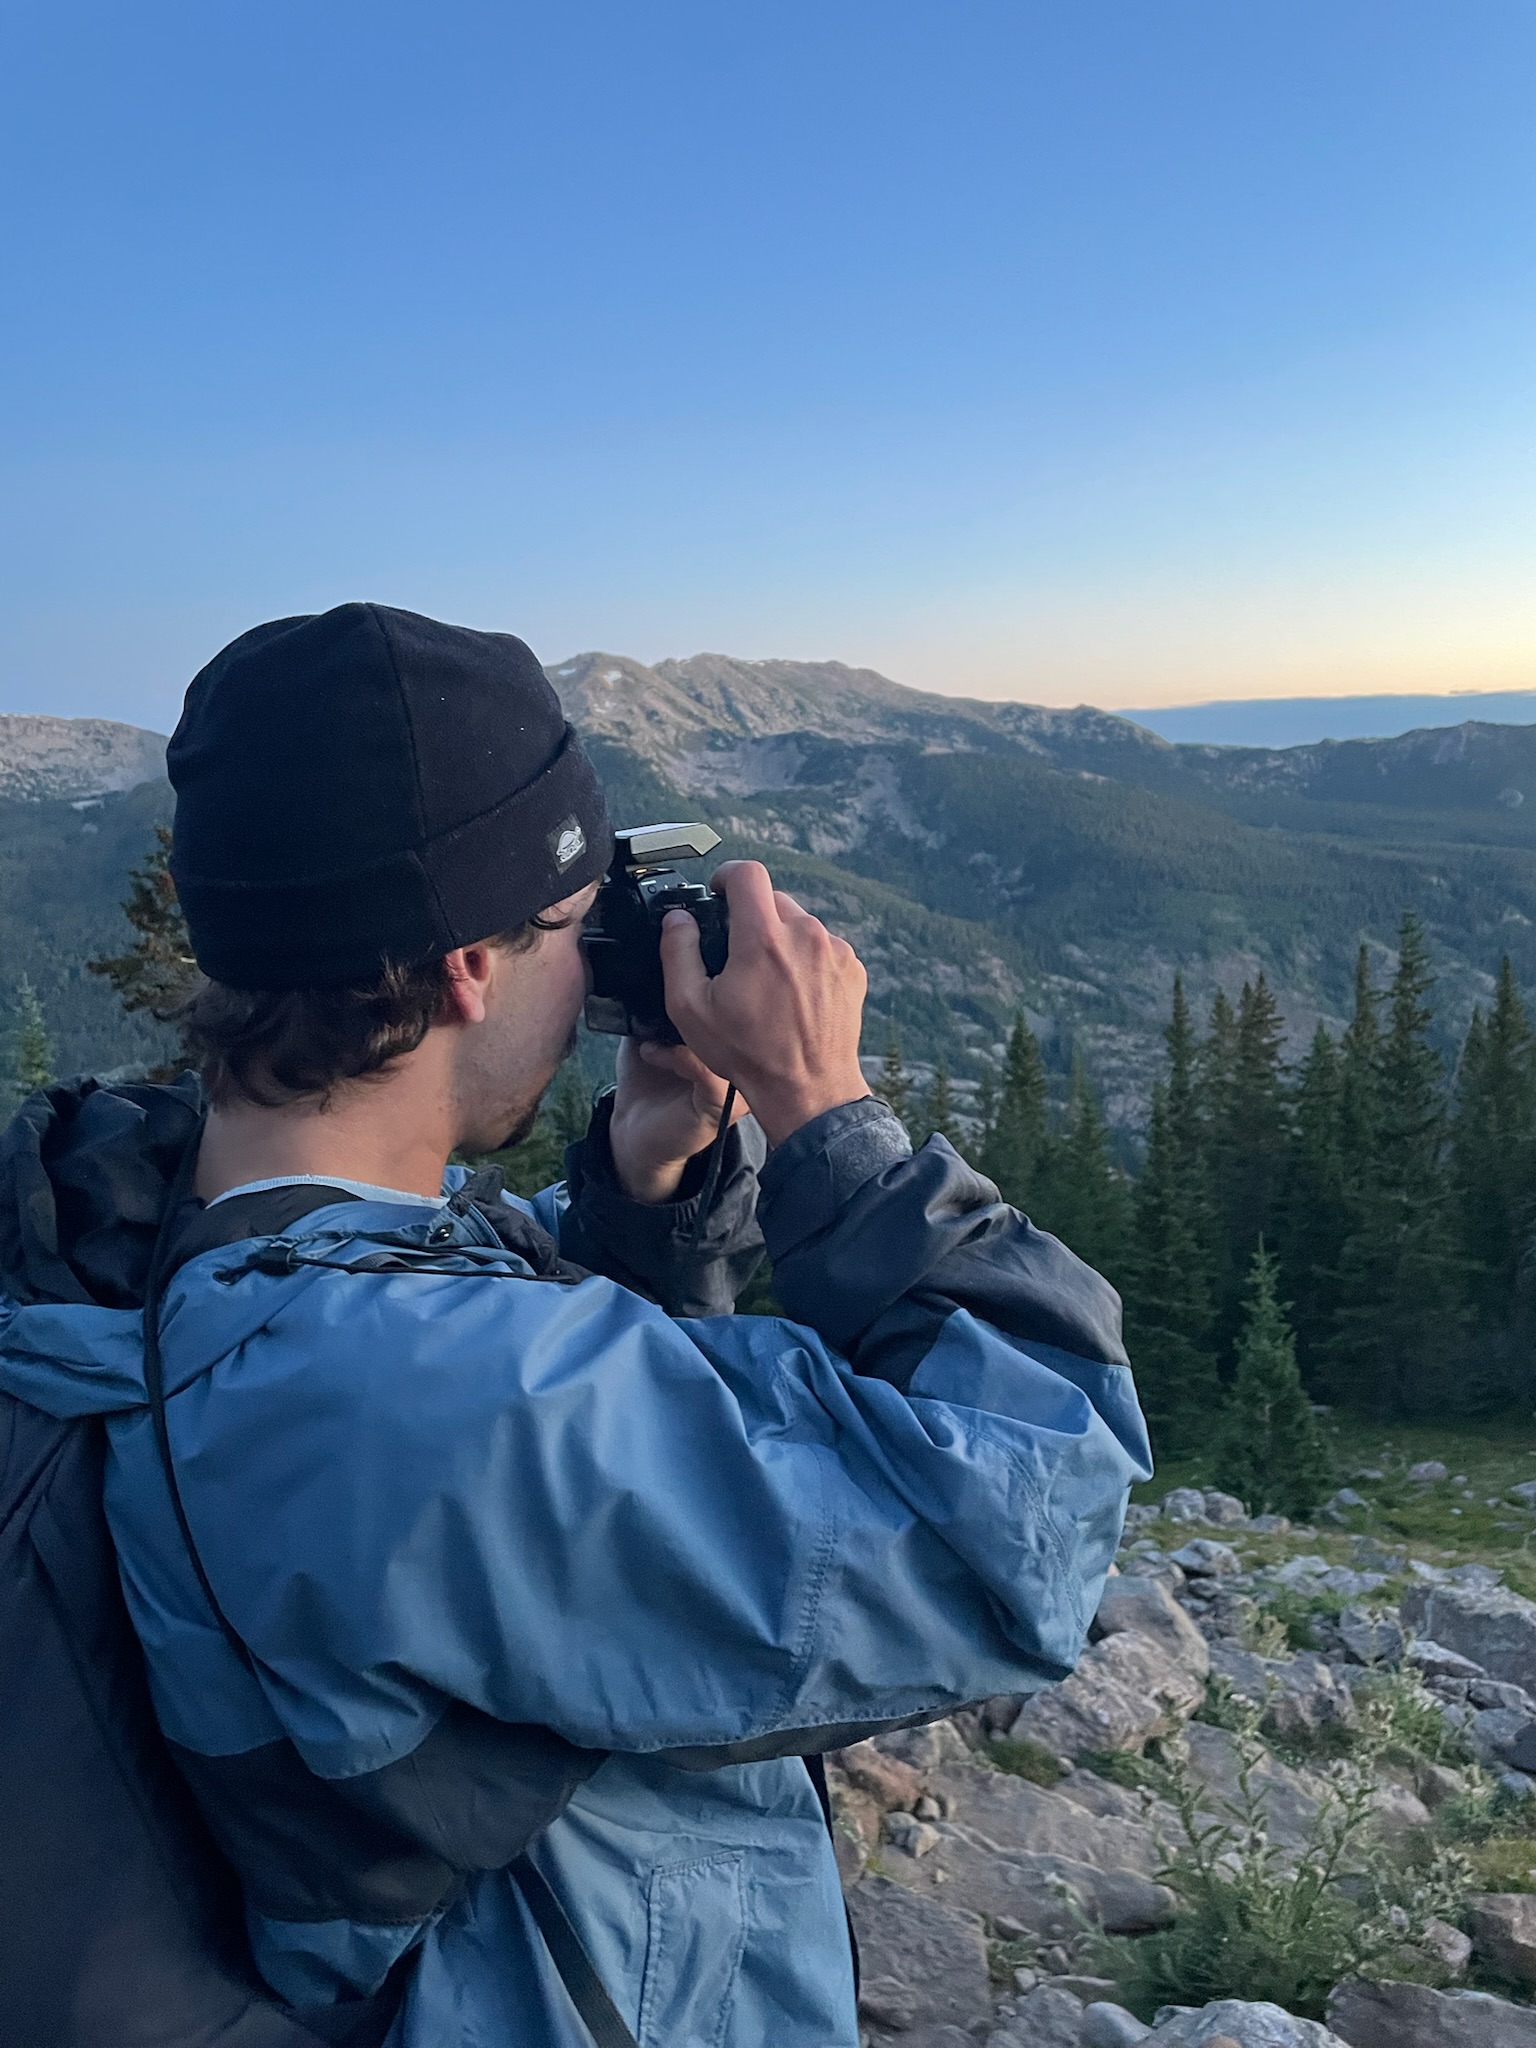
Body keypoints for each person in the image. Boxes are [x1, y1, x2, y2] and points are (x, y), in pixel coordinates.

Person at [0, 603, 1149, 2047]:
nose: (590, 965)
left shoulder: (151, 1235)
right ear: (467, 968)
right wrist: (827, 1119)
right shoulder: (410, 1396)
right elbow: (1028, 1525)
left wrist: (641, 1188)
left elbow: (462, 1347)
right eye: (566, 925)